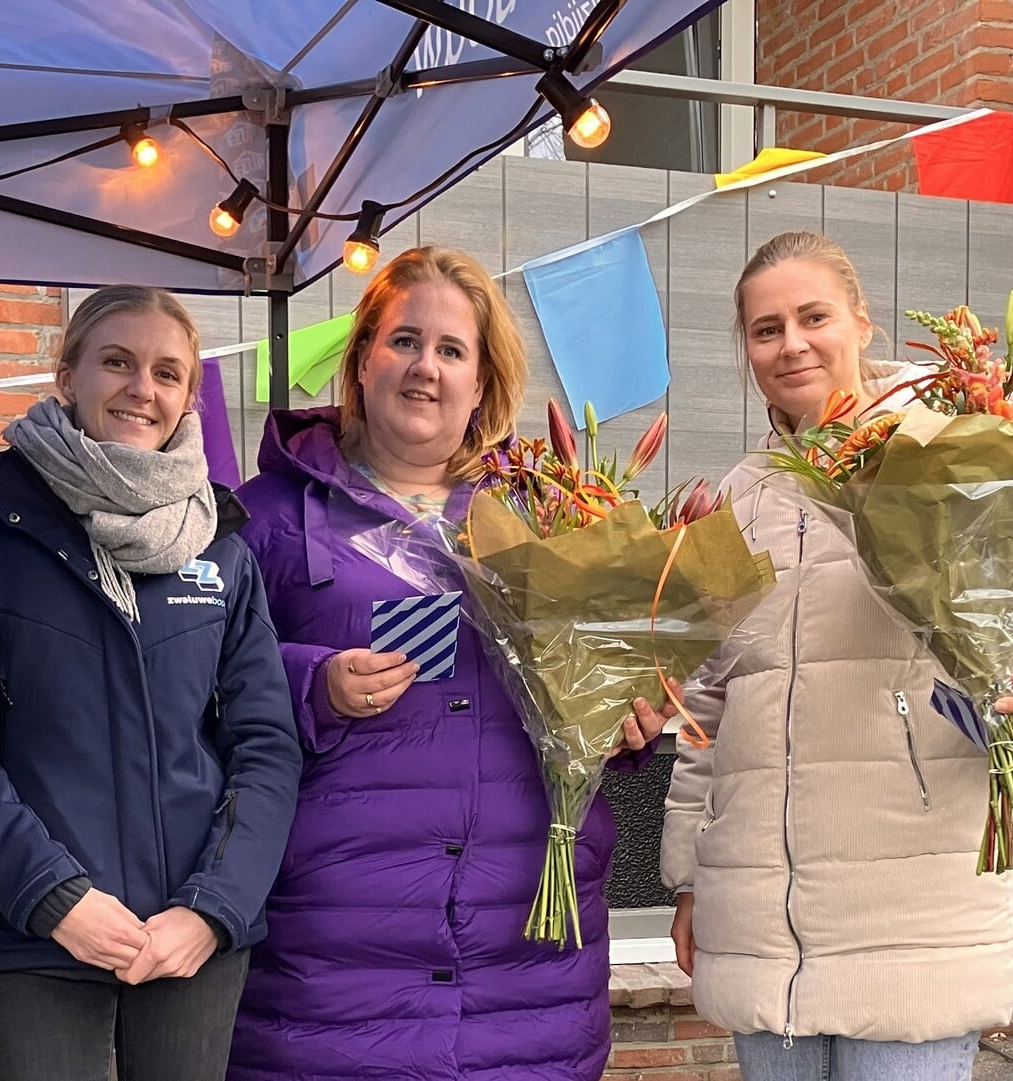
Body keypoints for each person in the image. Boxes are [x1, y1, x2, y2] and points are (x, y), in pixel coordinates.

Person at [662, 231, 1013, 1081]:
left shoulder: (955, 454)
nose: (791, 343)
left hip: (915, 912)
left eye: (813, 317)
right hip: (764, 924)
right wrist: (689, 875)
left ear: (862, 323)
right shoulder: (741, 495)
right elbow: (709, 704)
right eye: (766, 329)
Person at [229, 246, 666, 1081]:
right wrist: (308, 681)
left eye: (452, 349)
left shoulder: (550, 510)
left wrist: (627, 718)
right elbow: (199, 684)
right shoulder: (268, 518)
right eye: (404, 341)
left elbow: (606, 673)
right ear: (361, 359)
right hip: (335, 966)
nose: (425, 367)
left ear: (481, 380)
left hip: (526, 956)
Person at [0, 285, 299, 1081]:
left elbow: (266, 748)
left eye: (168, 372)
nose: (143, 387)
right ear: (66, 376)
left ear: (186, 397)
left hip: (190, 941)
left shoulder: (222, 547)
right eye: (117, 362)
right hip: (33, 931)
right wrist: (50, 893)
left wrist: (213, 908)